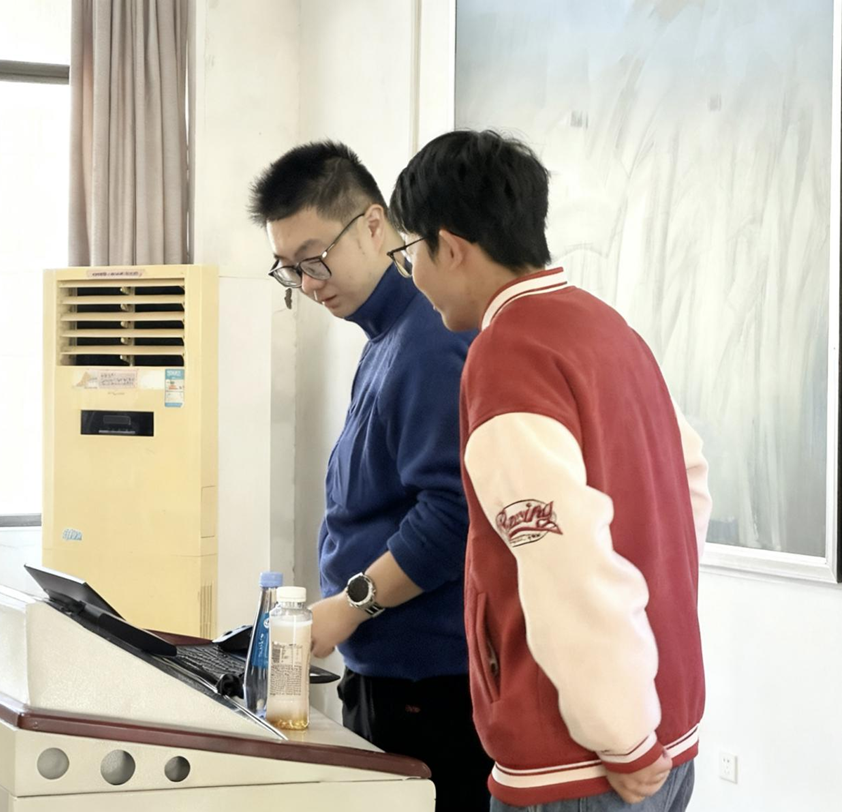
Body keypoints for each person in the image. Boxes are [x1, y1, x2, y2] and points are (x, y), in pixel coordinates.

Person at [388, 130, 712, 812]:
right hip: (669, 731)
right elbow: (688, 483)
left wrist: (621, 733)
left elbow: (564, 560)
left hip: (582, 762)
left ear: (451, 246)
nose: (410, 274)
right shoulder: (609, 329)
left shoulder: (509, 354)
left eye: (408, 251)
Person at [248, 141, 492, 810]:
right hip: (390, 672)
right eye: (289, 269)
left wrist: (349, 605)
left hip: (430, 686)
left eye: (315, 258)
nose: (308, 283)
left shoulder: (429, 339)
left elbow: (452, 515)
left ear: (375, 225)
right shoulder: (386, 336)